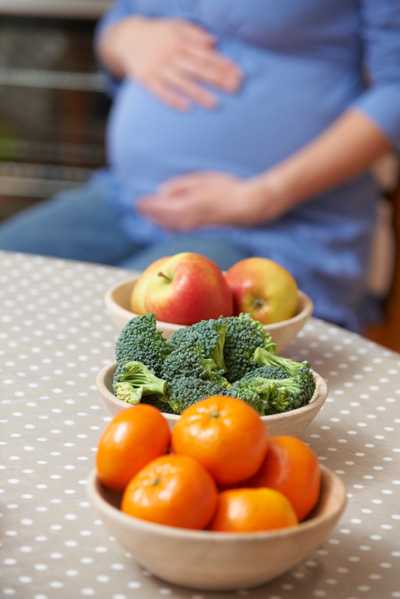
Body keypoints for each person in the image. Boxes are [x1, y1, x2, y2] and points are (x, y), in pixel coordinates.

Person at [1, 1, 399, 331]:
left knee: (124, 334)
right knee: (11, 278)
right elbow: (120, 18)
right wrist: (128, 37)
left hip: (277, 227)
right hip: (128, 200)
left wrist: (264, 196)